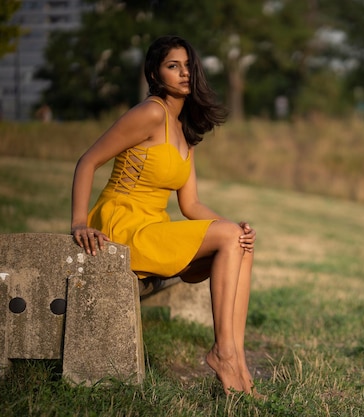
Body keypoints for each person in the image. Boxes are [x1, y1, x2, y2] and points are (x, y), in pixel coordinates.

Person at [70, 35, 259, 397]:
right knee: (231, 237)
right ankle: (222, 353)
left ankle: (236, 360)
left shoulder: (184, 133)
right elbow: (88, 161)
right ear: (155, 74)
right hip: (122, 227)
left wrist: (234, 227)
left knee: (242, 242)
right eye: (174, 66)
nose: (184, 73)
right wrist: (79, 221)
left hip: (153, 228)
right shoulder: (152, 112)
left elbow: (192, 206)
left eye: (188, 65)